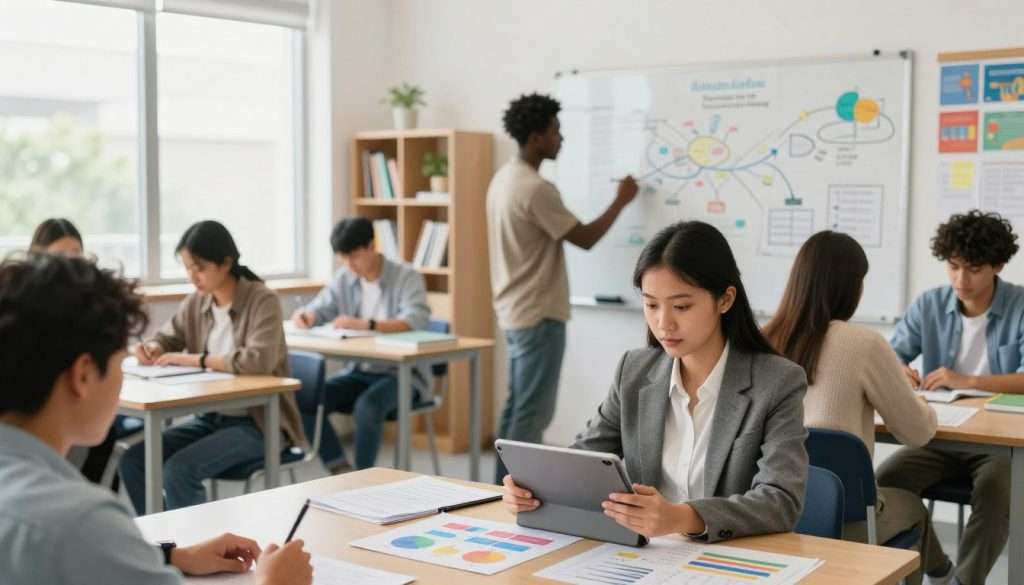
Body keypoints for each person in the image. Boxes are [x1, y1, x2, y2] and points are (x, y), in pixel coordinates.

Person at [0, 253, 312, 585]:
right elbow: (83, 543)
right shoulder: (80, 522)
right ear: (84, 375)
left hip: (256, 423)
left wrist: (171, 556)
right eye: (121, 363)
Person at [502, 221, 808, 541]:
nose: (664, 323)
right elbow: (583, 459)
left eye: (681, 306)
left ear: (725, 300)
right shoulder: (634, 370)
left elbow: (781, 500)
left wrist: (682, 517)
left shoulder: (778, 382)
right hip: (645, 557)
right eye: (650, 305)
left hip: (731, 558)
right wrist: (534, 488)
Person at [762, 231, 951, 585]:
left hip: (769, 518)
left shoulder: (759, 341)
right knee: (913, 508)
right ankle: (949, 578)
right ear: (850, 286)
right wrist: (921, 402)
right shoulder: (862, 343)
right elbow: (917, 432)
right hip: (847, 522)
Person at [487, 92, 639, 483]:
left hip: (514, 309)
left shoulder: (504, 179)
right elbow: (584, 237)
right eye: (556, 131)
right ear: (537, 137)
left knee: (517, 407)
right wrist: (621, 201)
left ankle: (496, 489)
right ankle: (517, 491)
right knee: (532, 414)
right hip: (538, 313)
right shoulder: (536, 188)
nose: (561, 138)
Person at [878, 210, 1024, 585]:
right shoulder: (929, 304)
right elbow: (893, 354)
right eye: (953, 266)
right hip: (941, 434)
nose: (961, 279)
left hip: (1000, 442)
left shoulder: (1020, 305)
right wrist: (900, 370)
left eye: (973, 269)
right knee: (884, 481)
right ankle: (939, 569)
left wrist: (966, 378)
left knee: (997, 495)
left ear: (998, 265)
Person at [120, 220, 306, 512]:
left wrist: (197, 360)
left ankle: (197, 553)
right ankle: (168, 544)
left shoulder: (262, 299)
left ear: (225, 263)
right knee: (133, 460)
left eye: (199, 267)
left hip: (259, 423)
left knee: (179, 471)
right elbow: (169, 336)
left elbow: (258, 360)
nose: (193, 276)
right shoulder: (198, 302)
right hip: (212, 418)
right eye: (187, 268)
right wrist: (154, 347)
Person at [292, 217, 429, 472]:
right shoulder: (345, 278)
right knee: (304, 398)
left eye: (353, 257)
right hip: (359, 371)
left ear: (370, 246)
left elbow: (415, 319)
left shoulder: (406, 276)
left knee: (367, 407)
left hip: (401, 375)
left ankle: (363, 477)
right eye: (343, 258)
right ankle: (340, 469)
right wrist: (307, 315)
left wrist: (368, 324)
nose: (349, 265)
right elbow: (322, 308)